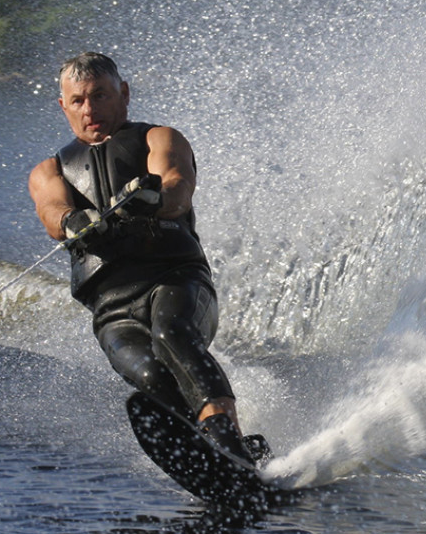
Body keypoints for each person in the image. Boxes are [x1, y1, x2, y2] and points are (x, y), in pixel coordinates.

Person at [28, 52, 266, 466]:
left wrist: (155, 197)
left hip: (175, 280)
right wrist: (71, 220)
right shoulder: (49, 170)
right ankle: (208, 454)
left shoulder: (159, 139)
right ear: (63, 106)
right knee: (149, 375)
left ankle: (231, 444)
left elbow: (177, 184)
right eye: (79, 100)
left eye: (100, 95)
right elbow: (51, 211)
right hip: (112, 307)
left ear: (123, 93)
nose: (91, 109)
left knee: (171, 335)